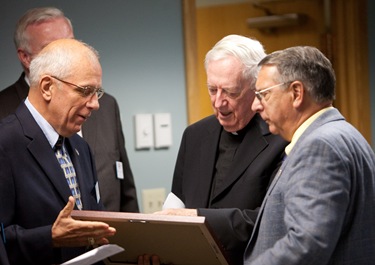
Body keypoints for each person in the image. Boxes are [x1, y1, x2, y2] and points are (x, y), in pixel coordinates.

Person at [156, 35, 288, 264]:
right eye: (212, 90)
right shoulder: (194, 136)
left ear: (255, 88)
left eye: (230, 92)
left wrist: (197, 218)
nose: (218, 102)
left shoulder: (281, 138)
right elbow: (176, 204)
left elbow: (271, 221)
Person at [243, 46, 375, 264]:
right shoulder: (344, 133)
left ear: (296, 93)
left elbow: (306, 245)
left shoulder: (319, 146)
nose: (256, 105)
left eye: (263, 94)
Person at [0, 7, 139, 212]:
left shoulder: (105, 108)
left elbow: (124, 188)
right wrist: (50, 235)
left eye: (71, 42)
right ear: (26, 58)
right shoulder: (6, 124)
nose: (94, 103)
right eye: (54, 47)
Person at [0, 38, 116, 264]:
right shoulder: (5, 144)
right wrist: (49, 237)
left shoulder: (80, 147)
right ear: (47, 87)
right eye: (85, 91)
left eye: (97, 92)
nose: (95, 104)